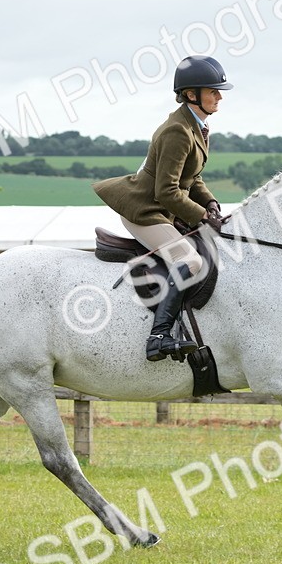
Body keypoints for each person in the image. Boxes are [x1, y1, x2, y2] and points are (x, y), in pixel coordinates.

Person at [93, 55, 232, 362]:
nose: (219, 96)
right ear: (192, 94)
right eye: (213, 91)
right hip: (145, 210)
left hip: (163, 206)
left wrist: (209, 202)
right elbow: (167, 191)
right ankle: (159, 337)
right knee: (190, 261)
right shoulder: (177, 131)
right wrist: (201, 217)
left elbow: (191, 177)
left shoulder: (196, 126)